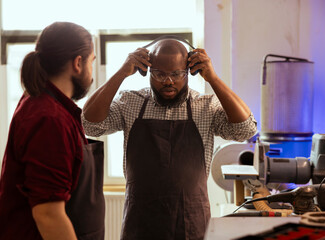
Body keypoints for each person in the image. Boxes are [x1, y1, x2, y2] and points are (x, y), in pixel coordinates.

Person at [82, 36, 257, 240]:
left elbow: (246, 130)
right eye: (159, 74)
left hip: (191, 225)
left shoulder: (205, 107)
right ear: (146, 71)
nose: (168, 81)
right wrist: (121, 73)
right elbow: (90, 125)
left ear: (190, 71)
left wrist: (214, 79)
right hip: (140, 225)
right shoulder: (131, 103)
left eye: (176, 74)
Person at [0, 22, 105, 240]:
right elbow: (48, 215)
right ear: (78, 63)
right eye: (91, 62)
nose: (91, 72)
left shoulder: (44, 103)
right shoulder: (50, 119)